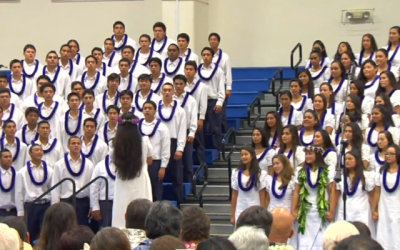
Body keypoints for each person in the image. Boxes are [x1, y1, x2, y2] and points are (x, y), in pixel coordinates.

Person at [112, 112, 153, 227]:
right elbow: (150, 160)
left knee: (122, 208)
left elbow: (114, 162)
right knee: (142, 207)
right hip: (140, 179)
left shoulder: (114, 144)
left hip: (122, 179)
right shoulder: (144, 142)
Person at [51, 136, 94, 226]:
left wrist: (92, 205)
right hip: (66, 201)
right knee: (66, 227)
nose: (76, 145)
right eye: (73, 143)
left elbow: (92, 186)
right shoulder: (59, 164)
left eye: (78, 143)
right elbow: (55, 185)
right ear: (68, 146)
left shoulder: (89, 164)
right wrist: (55, 205)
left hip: (83, 202)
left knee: (82, 228)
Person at [15, 144, 53, 241]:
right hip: (30, 206)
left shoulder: (49, 170)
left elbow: (53, 190)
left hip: (46, 205)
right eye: (36, 150)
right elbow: (19, 192)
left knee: (45, 234)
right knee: (30, 233)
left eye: (41, 150)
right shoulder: (22, 172)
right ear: (30, 153)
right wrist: (20, 212)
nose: (39, 152)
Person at [157, 83, 187, 203]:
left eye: (170, 90)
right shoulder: (156, 109)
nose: (167, 92)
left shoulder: (180, 110)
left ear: (174, 92)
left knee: (176, 174)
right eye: (165, 90)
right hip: (159, 142)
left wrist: (180, 148)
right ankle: (157, 200)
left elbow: (182, 130)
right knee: (158, 173)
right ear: (161, 92)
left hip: (174, 142)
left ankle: (178, 201)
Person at [139, 100, 170, 201]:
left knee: (156, 190)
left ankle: (157, 213)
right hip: (141, 162)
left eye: (150, 108)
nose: (147, 110)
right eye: (145, 108)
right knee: (142, 189)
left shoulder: (162, 127)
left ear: (155, 111)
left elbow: (165, 147)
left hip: (156, 162)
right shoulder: (137, 126)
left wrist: (163, 167)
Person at [198, 47, 225, 156]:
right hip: (200, 102)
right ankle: (202, 151)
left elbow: (221, 87)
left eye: (208, 54)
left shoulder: (218, 70)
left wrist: (219, 102)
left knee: (215, 127)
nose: (205, 57)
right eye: (203, 54)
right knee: (201, 128)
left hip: (212, 100)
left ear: (212, 56)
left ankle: (218, 151)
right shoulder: (197, 70)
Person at [231, 147, 267, 225]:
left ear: (252, 156)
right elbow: (234, 195)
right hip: (240, 209)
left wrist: (264, 214)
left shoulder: (261, 174)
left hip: (255, 209)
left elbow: (262, 195)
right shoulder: (236, 173)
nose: (243, 157)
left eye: (246, 154)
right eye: (242, 155)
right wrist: (233, 215)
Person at [373, 144, 400, 249]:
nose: (388, 156)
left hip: (397, 207)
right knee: (383, 233)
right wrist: (374, 209)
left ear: (397, 155)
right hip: (384, 207)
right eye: (386, 154)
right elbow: (377, 191)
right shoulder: (381, 171)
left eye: (391, 154)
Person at [173, 74, 198, 182]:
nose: (178, 86)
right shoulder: (170, 99)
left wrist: (192, 132)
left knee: (187, 160)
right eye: (176, 84)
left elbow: (193, 117)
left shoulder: (191, 100)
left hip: (186, 132)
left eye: (181, 84)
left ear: (185, 85)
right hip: (173, 132)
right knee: (174, 161)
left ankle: (189, 185)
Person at [208, 32, 232, 133]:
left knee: (221, 113)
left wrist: (228, 88)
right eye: (211, 39)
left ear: (218, 42)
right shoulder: (206, 55)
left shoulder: (224, 57)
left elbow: (228, 72)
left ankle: (224, 135)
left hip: (222, 86)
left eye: (215, 39)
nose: (213, 41)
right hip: (211, 86)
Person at [184, 60, 207, 164]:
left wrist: (201, 118)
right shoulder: (181, 85)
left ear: (195, 71)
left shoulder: (201, 86)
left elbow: (203, 103)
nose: (188, 71)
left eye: (190, 69)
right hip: (183, 115)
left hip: (196, 115)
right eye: (186, 69)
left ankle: (200, 163)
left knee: (198, 141)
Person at [90, 150, 116, 228]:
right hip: (105, 203)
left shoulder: (128, 164)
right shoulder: (100, 166)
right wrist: (95, 207)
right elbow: (94, 187)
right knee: (105, 230)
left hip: (121, 202)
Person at [0, 149, 17, 217]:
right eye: (6, 157)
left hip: (14, 211)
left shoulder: (17, 174)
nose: (9, 159)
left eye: (10, 157)